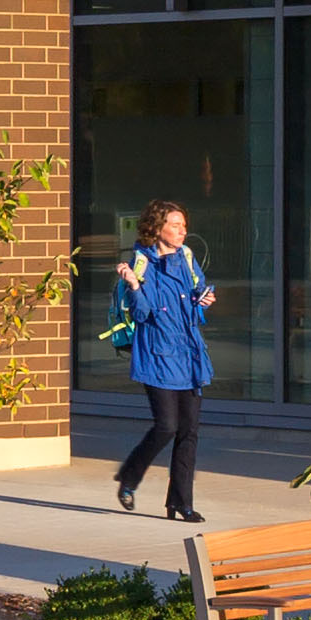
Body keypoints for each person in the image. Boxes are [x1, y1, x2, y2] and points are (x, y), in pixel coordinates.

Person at [111, 201, 215, 522]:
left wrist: (206, 297)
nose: (182, 231)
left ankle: (180, 503)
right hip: (158, 355)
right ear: (157, 229)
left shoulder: (186, 257)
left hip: (188, 354)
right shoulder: (143, 263)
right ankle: (129, 478)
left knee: (189, 432)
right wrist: (133, 285)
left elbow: (199, 292)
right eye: (175, 225)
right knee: (167, 426)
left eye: (184, 225)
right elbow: (142, 313)